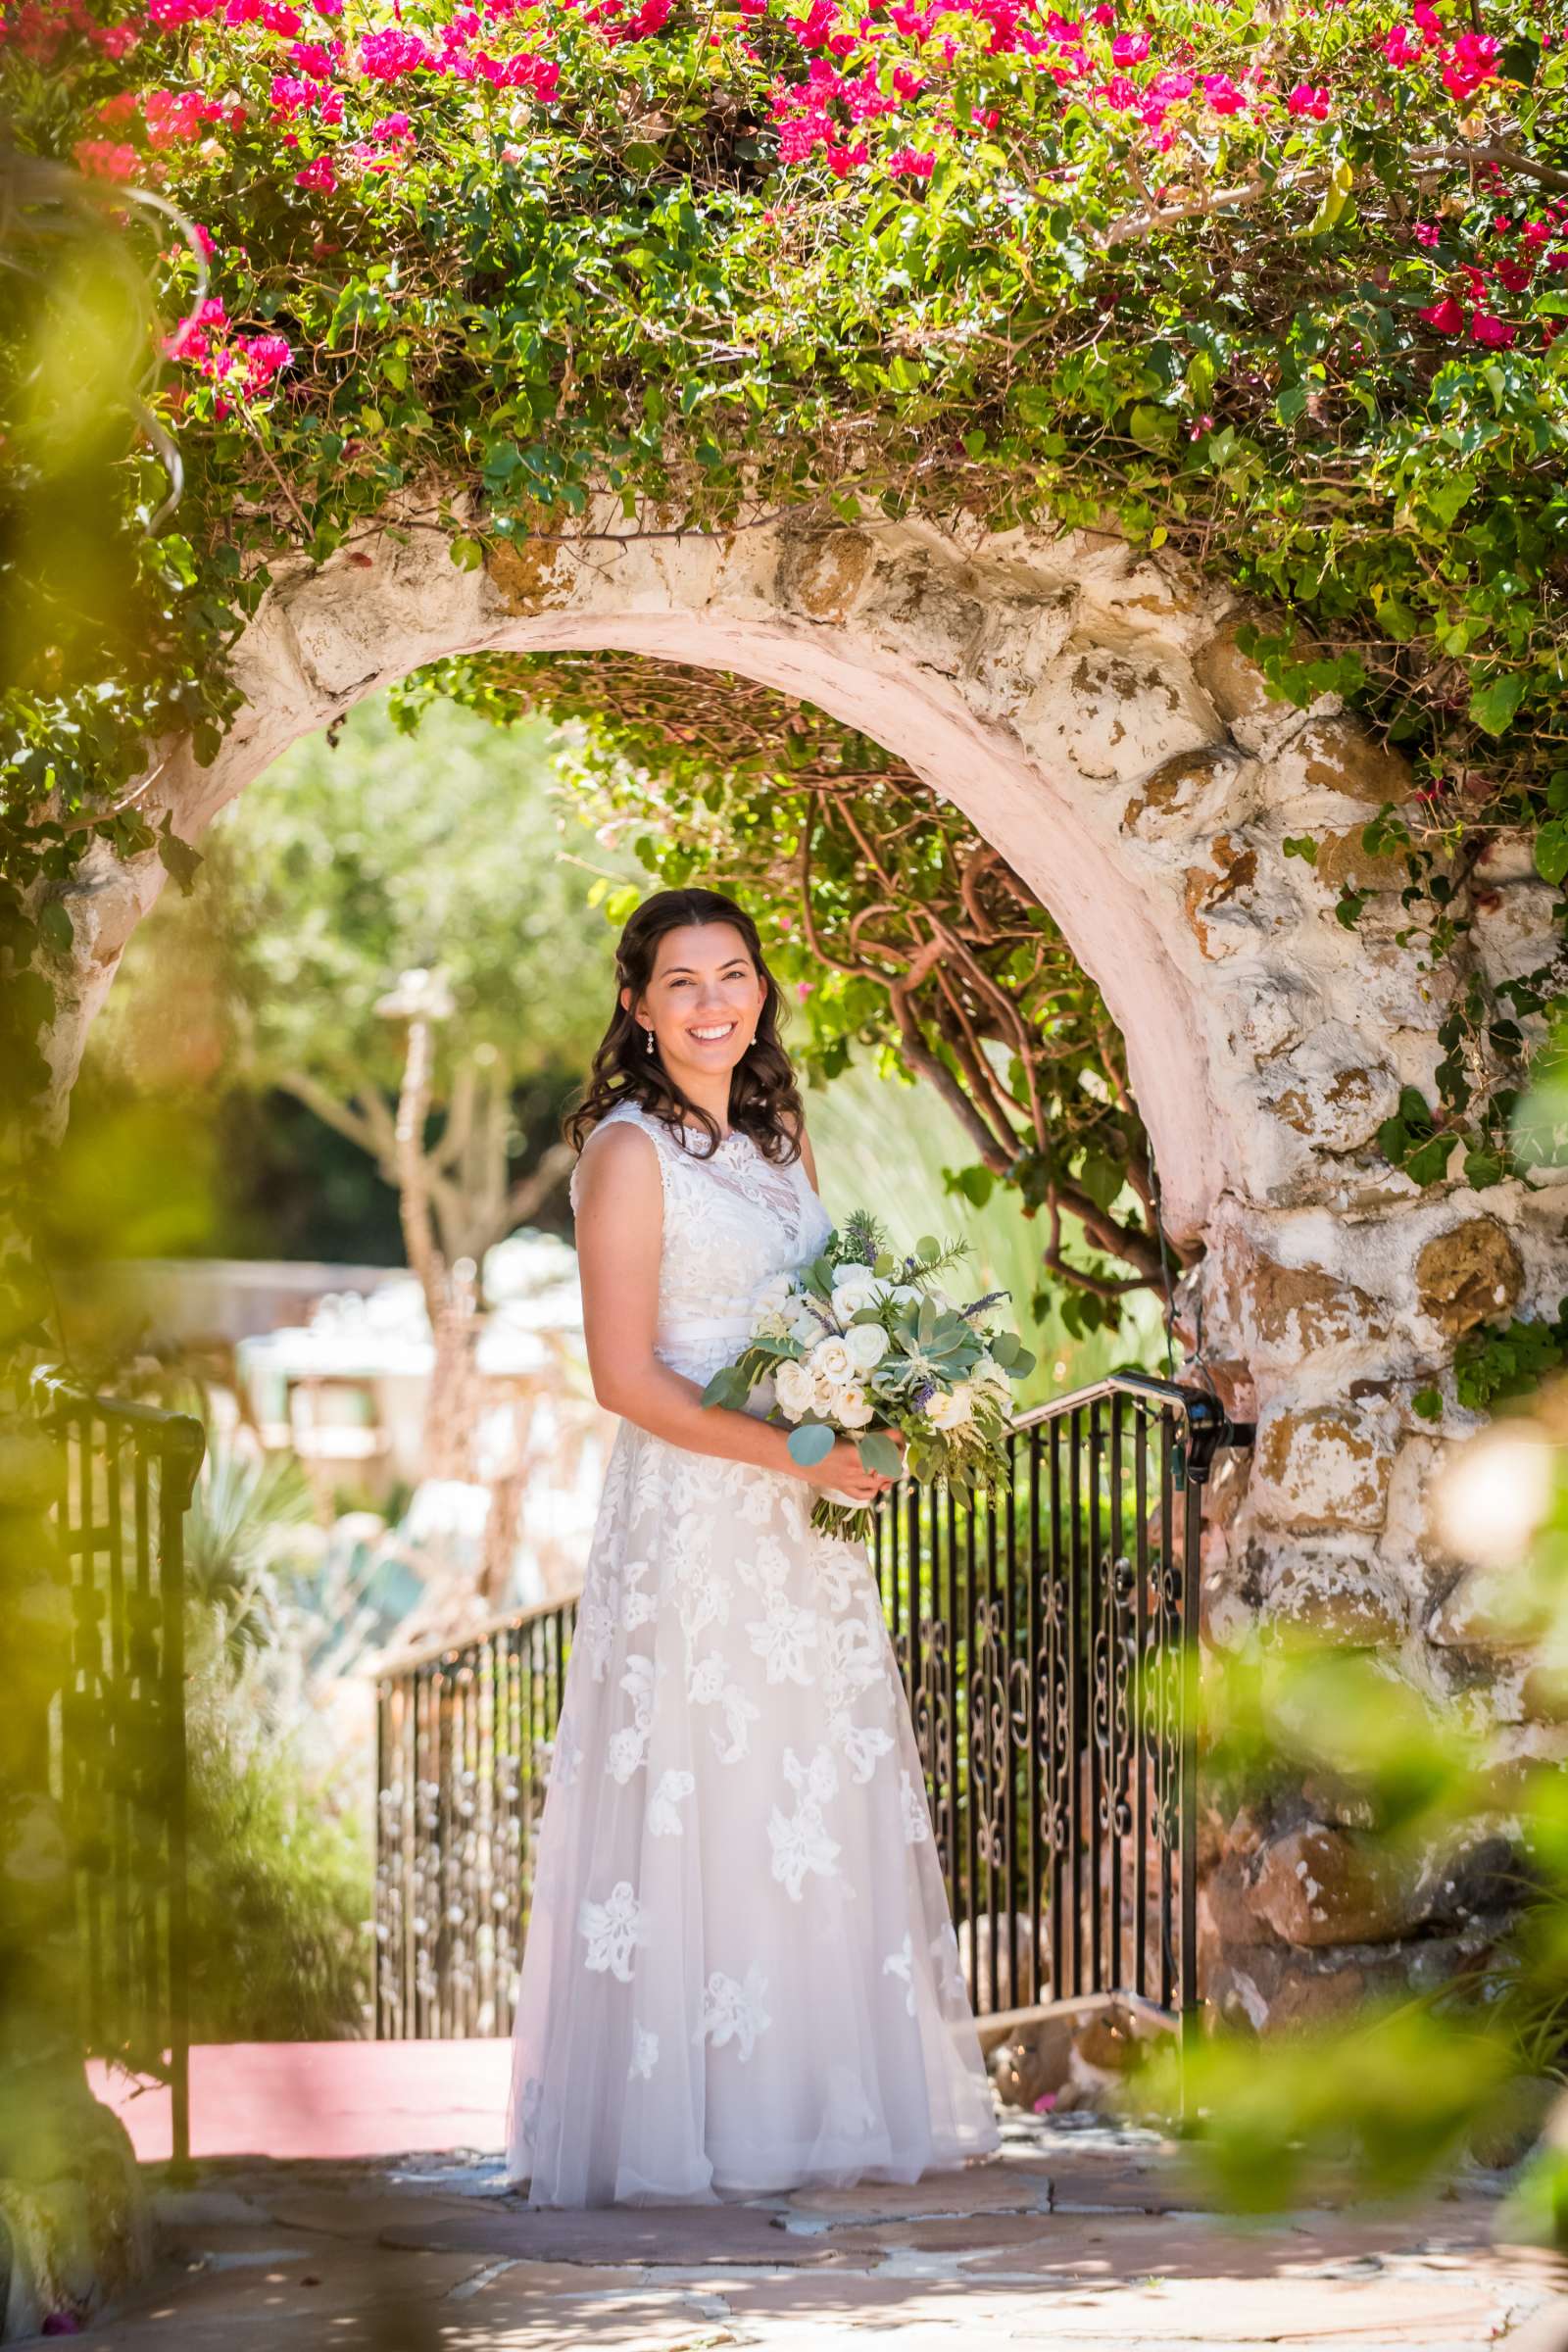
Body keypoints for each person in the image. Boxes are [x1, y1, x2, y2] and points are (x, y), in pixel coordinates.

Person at [506, 885, 1000, 2206]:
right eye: (684, 981)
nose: (716, 1002)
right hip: (694, 1513)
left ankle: (805, 2102)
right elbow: (625, 1377)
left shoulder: (784, 1143)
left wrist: (884, 1409)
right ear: (637, 1005)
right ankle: (682, 2120)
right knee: (701, 1789)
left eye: (736, 975)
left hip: (803, 1525)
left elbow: (833, 1310)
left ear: (762, 991)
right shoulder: (624, 1152)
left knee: (798, 1790)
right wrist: (794, 1452)